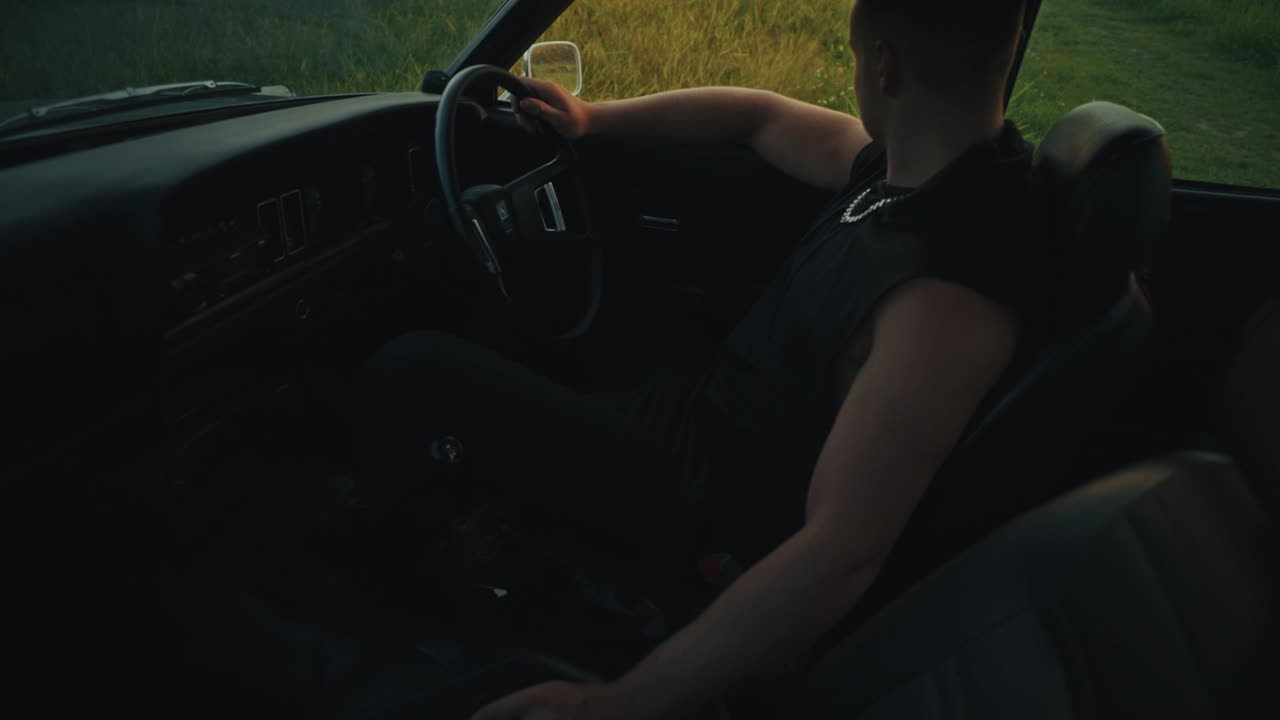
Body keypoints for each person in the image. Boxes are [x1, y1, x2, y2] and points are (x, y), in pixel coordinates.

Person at [359, 1, 1039, 717]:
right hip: (710, 408)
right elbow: (761, 118)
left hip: (704, 501)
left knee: (410, 373)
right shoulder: (921, 167)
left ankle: (384, 585)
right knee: (584, 301)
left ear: (885, 65)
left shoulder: (949, 295)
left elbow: (840, 551)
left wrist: (624, 702)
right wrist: (594, 120)